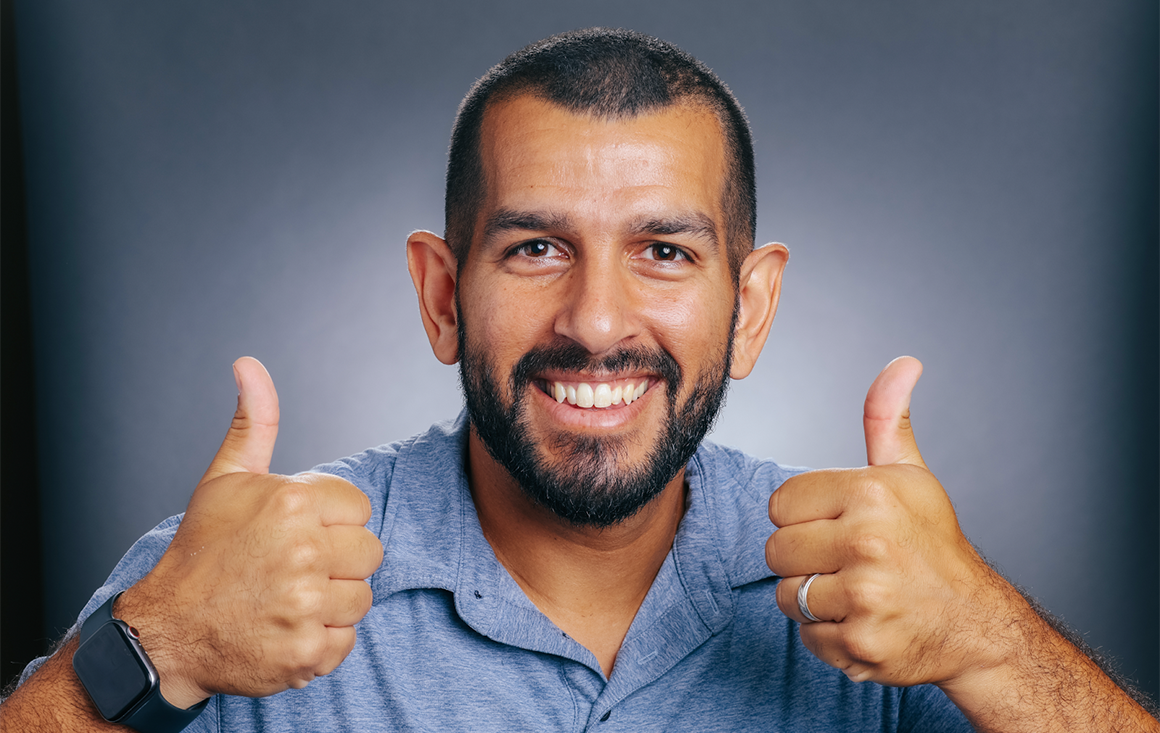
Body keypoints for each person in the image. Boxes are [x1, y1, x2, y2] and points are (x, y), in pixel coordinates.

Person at [1, 27, 1157, 733]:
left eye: (663, 251)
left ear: (747, 307)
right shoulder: (228, 571)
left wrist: (990, 641)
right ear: (442, 295)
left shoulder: (886, 597)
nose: (597, 320)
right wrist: (162, 647)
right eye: (534, 247)